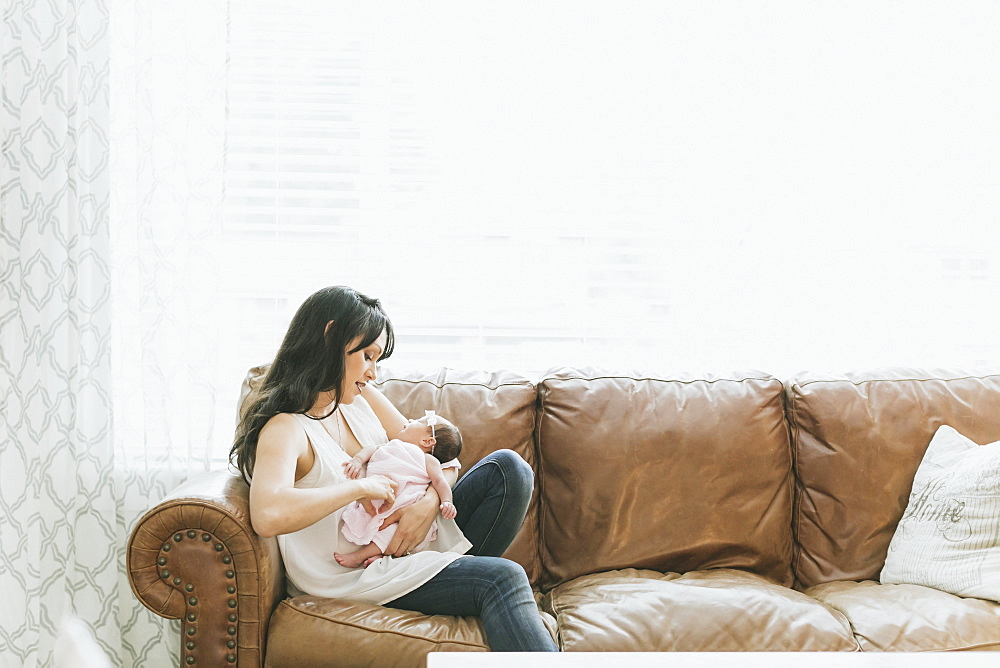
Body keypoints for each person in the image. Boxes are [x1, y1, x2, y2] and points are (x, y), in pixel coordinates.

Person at [230, 285, 558, 652]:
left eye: (377, 360)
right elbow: (267, 514)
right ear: (329, 337)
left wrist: (429, 503)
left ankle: (462, 585)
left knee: (510, 469)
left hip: (409, 542)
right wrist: (359, 488)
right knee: (503, 578)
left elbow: (441, 458)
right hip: (355, 572)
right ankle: (475, 587)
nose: (373, 373)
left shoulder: (358, 398)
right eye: (367, 356)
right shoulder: (286, 428)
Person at [335, 412, 463, 568]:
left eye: (418, 421)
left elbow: (439, 481)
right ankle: (382, 556)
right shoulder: (392, 444)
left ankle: (362, 556)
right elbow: (371, 450)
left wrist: (447, 501)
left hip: (404, 505)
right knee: (363, 518)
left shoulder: (428, 460)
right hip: (378, 498)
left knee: (392, 532)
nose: (410, 420)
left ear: (427, 441)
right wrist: (357, 460)